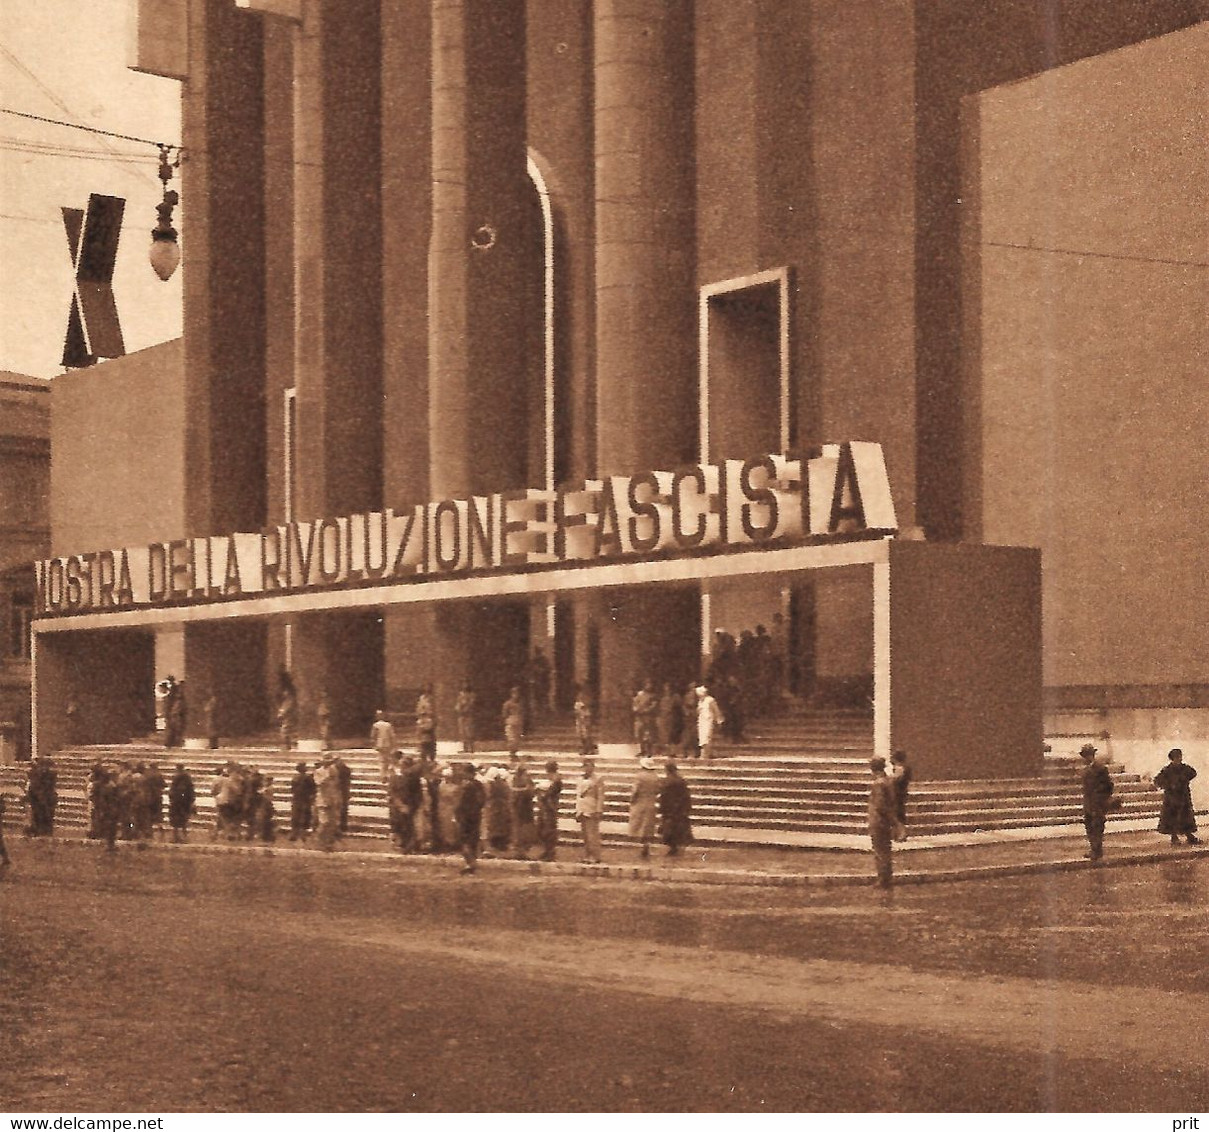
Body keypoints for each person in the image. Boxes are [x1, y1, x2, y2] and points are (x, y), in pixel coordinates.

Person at [1153, 748, 1200, 847]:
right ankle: (1174, 837)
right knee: (1172, 817)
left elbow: (1193, 773)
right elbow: (1158, 780)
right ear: (1172, 759)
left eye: (1179, 757)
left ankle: (1189, 835)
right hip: (1171, 798)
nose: (1178, 759)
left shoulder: (1185, 768)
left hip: (1183, 796)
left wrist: (1184, 779)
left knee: (1186, 816)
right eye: (1176, 758)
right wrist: (1169, 785)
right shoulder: (1167, 770)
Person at [1079, 743, 1115, 862]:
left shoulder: (1101, 768)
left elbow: (1109, 786)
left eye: (1087, 755)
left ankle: (1097, 851)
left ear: (1092, 755)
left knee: (1097, 826)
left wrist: (1101, 798)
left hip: (1098, 803)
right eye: (1084, 755)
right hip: (1088, 803)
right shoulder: (1085, 769)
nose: (1085, 758)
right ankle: (1093, 849)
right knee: (1089, 826)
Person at [867, 756, 897, 887]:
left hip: (878, 821)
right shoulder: (888, 781)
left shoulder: (878, 784)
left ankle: (882, 879)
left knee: (880, 850)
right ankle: (887, 877)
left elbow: (879, 805)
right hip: (885, 821)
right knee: (886, 849)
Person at [456, 763, 486, 875]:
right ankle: (471, 861)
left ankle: (470, 862)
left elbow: (460, 802)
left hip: (466, 815)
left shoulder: (467, 786)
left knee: (464, 839)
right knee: (472, 839)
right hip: (475, 814)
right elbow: (482, 800)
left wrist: (458, 813)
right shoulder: (478, 785)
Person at [575, 755, 605, 864]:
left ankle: (595, 855)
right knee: (585, 835)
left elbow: (601, 795)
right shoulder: (580, 779)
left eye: (589, 766)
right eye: (585, 766)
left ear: (593, 767)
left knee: (592, 833)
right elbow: (578, 794)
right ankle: (587, 854)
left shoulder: (598, 779)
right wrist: (577, 808)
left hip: (591, 807)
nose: (586, 768)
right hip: (582, 807)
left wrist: (598, 809)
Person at [658, 762, 694, 856]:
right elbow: (686, 796)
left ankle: (673, 847)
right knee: (679, 828)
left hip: (669, 809)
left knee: (670, 828)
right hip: (680, 808)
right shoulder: (681, 780)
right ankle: (678, 845)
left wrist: (662, 808)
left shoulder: (666, 781)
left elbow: (664, 796)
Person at [629, 756, 661, 858]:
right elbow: (658, 790)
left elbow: (635, 790)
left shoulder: (639, 776)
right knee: (648, 826)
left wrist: (632, 799)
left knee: (640, 824)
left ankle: (643, 846)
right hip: (651, 802)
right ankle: (647, 845)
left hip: (640, 802)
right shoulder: (655, 777)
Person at [534, 759, 563, 862]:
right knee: (541, 829)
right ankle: (546, 850)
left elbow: (550, 793)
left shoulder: (557, 780)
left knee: (549, 830)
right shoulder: (552, 779)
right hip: (545, 807)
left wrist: (542, 794)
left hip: (550, 807)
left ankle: (550, 852)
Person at [312, 755, 341, 851]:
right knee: (324, 822)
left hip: (332, 798)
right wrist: (327, 777)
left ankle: (328, 843)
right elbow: (319, 783)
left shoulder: (334, 770)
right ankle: (319, 839)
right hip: (322, 800)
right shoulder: (318, 771)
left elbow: (336, 783)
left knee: (332, 823)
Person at [510, 758, 537, 859]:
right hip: (519, 807)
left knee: (526, 830)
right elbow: (514, 792)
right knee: (518, 830)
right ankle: (519, 851)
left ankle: (524, 850)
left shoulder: (527, 780)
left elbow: (531, 791)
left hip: (526, 808)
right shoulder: (516, 780)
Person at [485, 765, 512, 855]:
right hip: (500, 807)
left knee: (496, 825)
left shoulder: (495, 785)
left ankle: (497, 843)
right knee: (499, 825)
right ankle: (500, 843)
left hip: (497, 807)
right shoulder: (503, 784)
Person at [695, 684, 724, 761]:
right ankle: (704, 753)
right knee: (702, 737)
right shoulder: (700, 701)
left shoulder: (710, 700)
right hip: (701, 720)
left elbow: (716, 710)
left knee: (707, 736)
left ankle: (706, 754)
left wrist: (719, 720)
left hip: (708, 720)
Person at [167, 764, 194, 842]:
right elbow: (191, 789)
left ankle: (175, 837)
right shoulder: (187, 777)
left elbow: (172, 789)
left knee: (175, 820)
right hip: (185, 801)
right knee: (184, 819)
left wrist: (171, 798)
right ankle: (185, 837)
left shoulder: (176, 777)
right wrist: (191, 800)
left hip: (176, 801)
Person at [889, 749, 912, 840]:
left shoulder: (900, 768)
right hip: (902, 792)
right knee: (899, 812)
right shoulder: (906, 768)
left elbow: (894, 780)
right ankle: (898, 833)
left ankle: (901, 833)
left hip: (897, 793)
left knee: (897, 813)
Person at [289, 761, 315, 841]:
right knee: (300, 817)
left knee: (299, 816)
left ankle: (298, 834)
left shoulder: (300, 778)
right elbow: (313, 789)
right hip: (301, 799)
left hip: (301, 799)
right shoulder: (305, 778)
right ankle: (298, 834)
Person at [370, 710, 397, 783]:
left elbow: (373, 736)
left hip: (380, 745)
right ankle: (390, 775)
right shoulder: (388, 725)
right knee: (389, 760)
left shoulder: (375, 725)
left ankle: (383, 776)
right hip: (387, 744)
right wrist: (394, 745)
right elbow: (392, 736)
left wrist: (375, 745)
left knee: (382, 761)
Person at [415, 684, 437, 761]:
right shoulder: (422, 698)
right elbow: (419, 708)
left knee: (430, 740)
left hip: (430, 718)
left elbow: (433, 709)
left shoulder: (432, 699)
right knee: (421, 736)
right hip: (422, 719)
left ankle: (431, 756)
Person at [502, 686, 525, 758]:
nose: (516, 695)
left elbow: (522, 712)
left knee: (517, 739)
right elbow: (504, 714)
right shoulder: (507, 704)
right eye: (515, 693)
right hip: (511, 722)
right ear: (512, 694)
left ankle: (514, 752)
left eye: (518, 693)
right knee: (511, 738)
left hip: (519, 722)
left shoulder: (521, 703)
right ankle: (511, 753)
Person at [454, 685, 477, 753]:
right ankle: (465, 748)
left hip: (468, 715)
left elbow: (471, 704)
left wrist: (466, 707)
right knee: (462, 732)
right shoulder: (460, 695)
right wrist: (459, 708)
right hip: (461, 715)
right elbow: (458, 704)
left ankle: (471, 748)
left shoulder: (472, 695)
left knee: (469, 731)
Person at [573, 687, 594, 756]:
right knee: (581, 735)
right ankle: (584, 748)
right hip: (579, 720)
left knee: (586, 735)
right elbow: (576, 712)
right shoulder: (577, 703)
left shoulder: (585, 703)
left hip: (584, 720)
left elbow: (587, 713)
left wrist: (585, 720)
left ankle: (590, 749)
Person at [334, 755, 352, 836]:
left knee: (340, 809)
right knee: (343, 809)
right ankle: (342, 825)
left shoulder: (338, 770)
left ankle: (340, 826)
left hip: (340, 791)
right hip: (343, 791)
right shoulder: (346, 769)